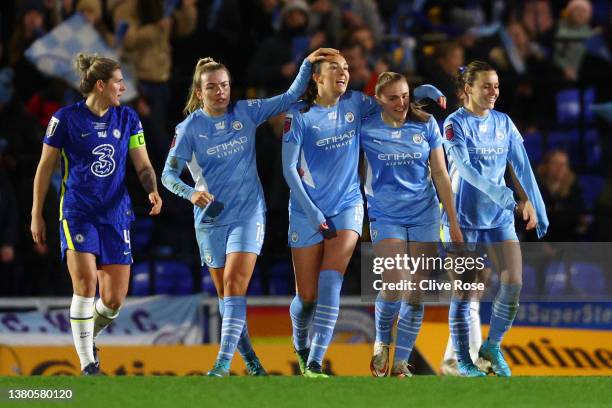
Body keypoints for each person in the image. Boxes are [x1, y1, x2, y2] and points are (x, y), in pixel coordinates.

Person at [162, 48, 338, 377]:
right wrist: (191, 193)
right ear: (199, 92)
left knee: (234, 283)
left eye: (225, 85)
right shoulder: (188, 129)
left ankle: (222, 365)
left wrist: (306, 63)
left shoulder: (246, 112)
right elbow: (168, 176)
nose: (220, 92)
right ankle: (253, 363)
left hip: (248, 214)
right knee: (229, 294)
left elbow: (289, 96)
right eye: (212, 87)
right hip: (211, 220)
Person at [282, 53, 445, 377]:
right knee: (307, 297)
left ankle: (315, 362)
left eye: (346, 67)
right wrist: (313, 213)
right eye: (335, 68)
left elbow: (398, 101)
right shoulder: (299, 115)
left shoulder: (357, 104)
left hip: (348, 205)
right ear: (317, 77)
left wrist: (426, 89)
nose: (344, 72)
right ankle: (300, 344)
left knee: (331, 280)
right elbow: (288, 168)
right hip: (306, 209)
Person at [31, 54, 162, 375]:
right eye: (118, 81)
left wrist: (151, 188)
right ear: (101, 85)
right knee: (85, 284)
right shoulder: (65, 119)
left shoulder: (128, 118)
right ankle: (89, 364)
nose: (123, 87)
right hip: (77, 211)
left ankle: (86, 337)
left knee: (114, 299)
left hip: (116, 214)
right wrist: (37, 213)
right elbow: (44, 166)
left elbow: (142, 165)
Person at [441, 61, 548, 376]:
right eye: (486, 86)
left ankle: (492, 347)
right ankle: (461, 361)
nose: (493, 92)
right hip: (463, 218)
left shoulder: (504, 122)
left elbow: (519, 165)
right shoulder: (454, 123)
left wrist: (532, 202)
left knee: (513, 281)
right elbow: (466, 169)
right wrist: (503, 195)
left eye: (497, 86)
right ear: (468, 89)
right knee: (465, 290)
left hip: (498, 218)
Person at [361, 72, 463, 377]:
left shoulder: (426, 124)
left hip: (425, 213)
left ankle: (402, 363)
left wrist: (453, 222)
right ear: (378, 99)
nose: (401, 103)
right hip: (385, 214)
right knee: (395, 283)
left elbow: (441, 174)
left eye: (405, 96)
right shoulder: (366, 127)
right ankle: (382, 341)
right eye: (393, 97)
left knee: (417, 292)